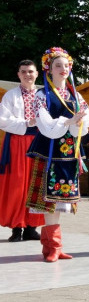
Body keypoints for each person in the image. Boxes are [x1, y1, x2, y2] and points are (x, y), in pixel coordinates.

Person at [26, 47, 89, 262]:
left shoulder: (76, 95)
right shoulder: (42, 95)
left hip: (69, 151)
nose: (63, 69)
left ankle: (53, 248)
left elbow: (85, 123)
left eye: (66, 65)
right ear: (49, 69)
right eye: (58, 65)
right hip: (50, 150)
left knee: (60, 199)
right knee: (49, 200)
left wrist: (79, 124)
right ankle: (53, 248)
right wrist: (68, 121)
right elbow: (45, 124)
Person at [0, 60, 45, 242]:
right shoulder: (10, 95)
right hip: (18, 142)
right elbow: (2, 120)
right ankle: (17, 227)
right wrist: (27, 123)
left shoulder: (44, 95)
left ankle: (31, 227)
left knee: (37, 184)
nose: (27, 75)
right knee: (17, 185)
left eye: (31, 71)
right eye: (24, 71)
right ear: (18, 74)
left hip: (39, 142)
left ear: (37, 74)